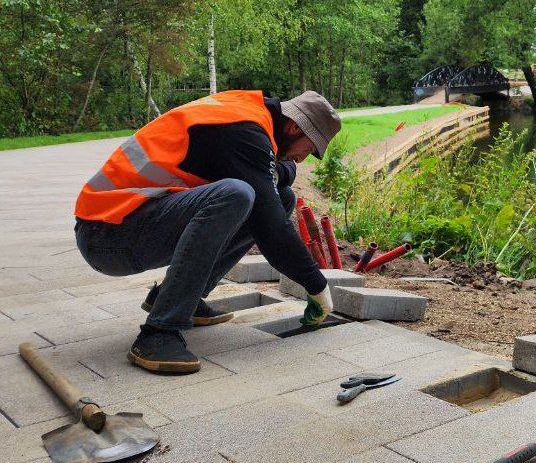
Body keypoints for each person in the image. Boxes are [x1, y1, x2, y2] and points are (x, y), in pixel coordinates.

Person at [74, 90, 341, 374]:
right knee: (235, 195)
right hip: (106, 234)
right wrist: (316, 284)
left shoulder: (250, 116)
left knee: (280, 196)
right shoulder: (245, 130)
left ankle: (175, 297)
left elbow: (278, 173)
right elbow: (272, 226)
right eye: (309, 148)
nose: (303, 159)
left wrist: (279, 171)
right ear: (294, 127)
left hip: (126, 224)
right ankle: (158, 333)